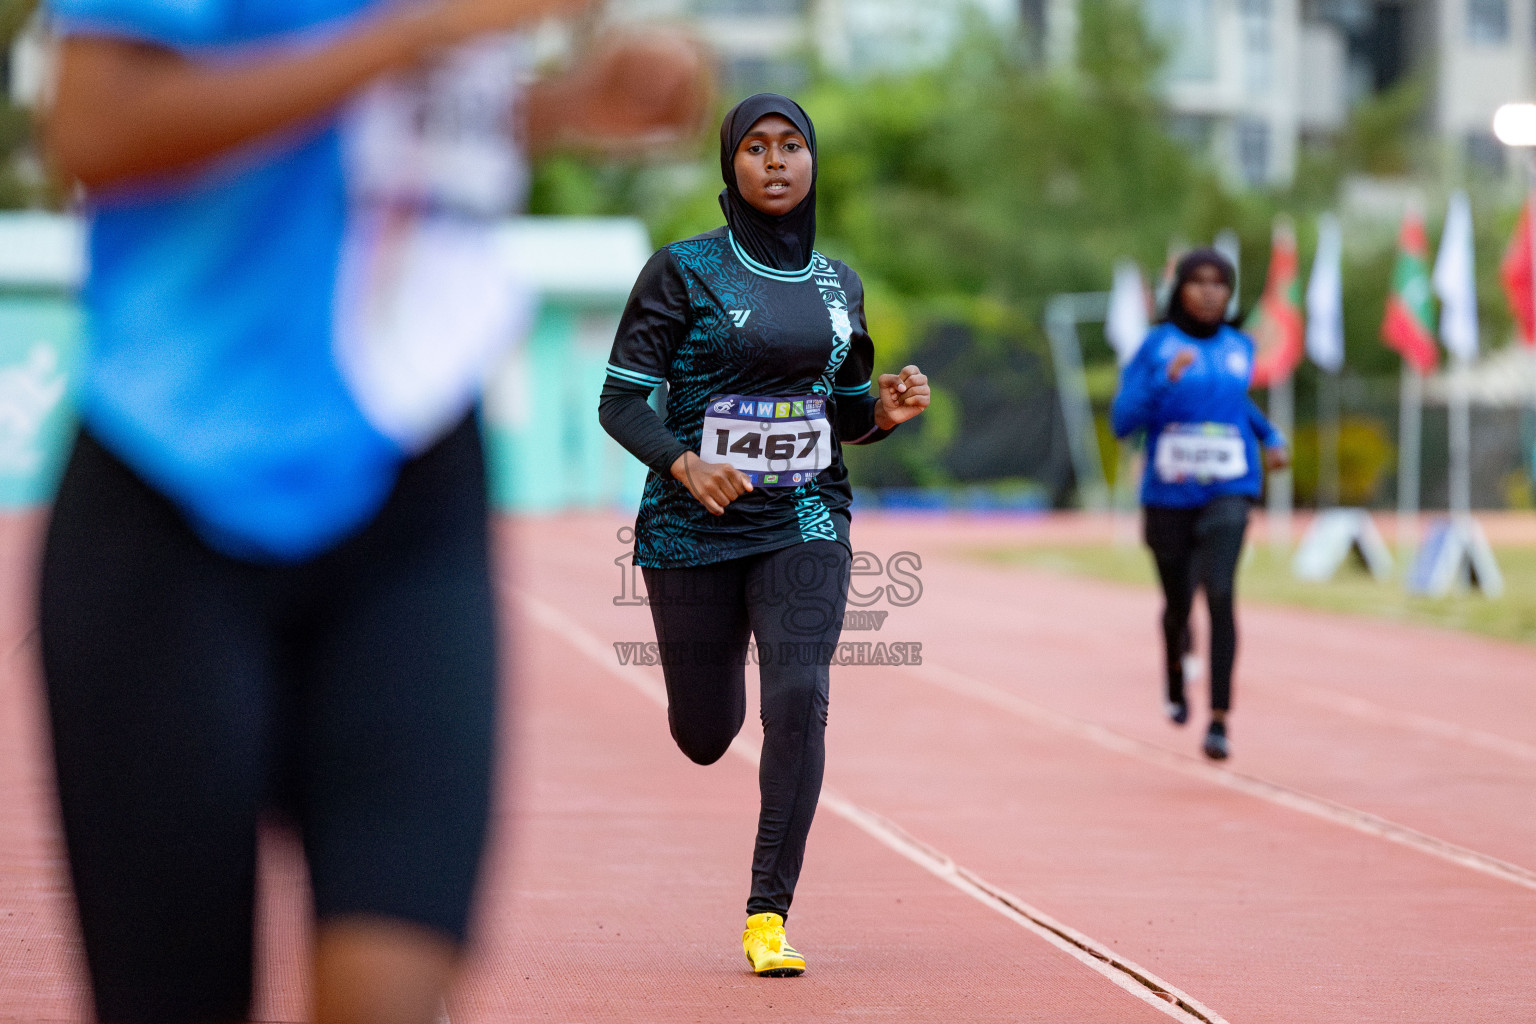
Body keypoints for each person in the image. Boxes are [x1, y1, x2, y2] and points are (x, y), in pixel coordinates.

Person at [37, 3, 709, 1022]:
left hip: (415, 469)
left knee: (396, 975)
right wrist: (413, 32)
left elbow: (390, 142)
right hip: (174, 475)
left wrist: (573, 106)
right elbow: (94, 129)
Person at [598, 93, 929, 977]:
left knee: (800, 693)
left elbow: (843, 410)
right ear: (730, 166)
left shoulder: (838, 285)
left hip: (805, 518)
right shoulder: (682, 271)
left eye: (792, 146)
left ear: (813, 162)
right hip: (691, 524)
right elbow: (621, 400)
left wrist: (883, 413)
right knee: (706, 732)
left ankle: (767, 915)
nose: (777, 161)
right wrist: (684, 463)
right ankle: (713, 692)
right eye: (757, 147)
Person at [1110, 249, 1289, 761]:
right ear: (1180, 291)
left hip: (1230, 485)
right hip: (1169, 494)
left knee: (1222, 591)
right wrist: (1165, 381)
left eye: (1221, 284)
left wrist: (1270, 434)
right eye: (1199, 282)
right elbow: (1124, 422)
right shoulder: (1156, 346)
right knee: (1178, 605)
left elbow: (1234, 403)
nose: (1211, 292)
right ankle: (1173, 673)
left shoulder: (1240, 346)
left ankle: (1219, 719)